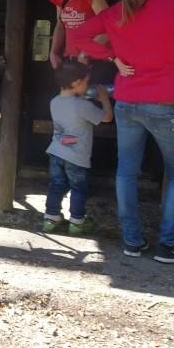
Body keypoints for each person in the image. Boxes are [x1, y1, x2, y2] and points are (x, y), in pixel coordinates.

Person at [71, 0, 174, 263]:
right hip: (167, 102)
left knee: (126, 171)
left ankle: (132, 241)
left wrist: (111, 56)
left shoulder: (117, 13)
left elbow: (78, 37)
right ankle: (168, 244)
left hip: (127, 100)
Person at [43, 60, 113, 235]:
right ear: (76, 83)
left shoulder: (54, 101)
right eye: (86, 82)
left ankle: (51, 218)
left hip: (55, 151)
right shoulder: (82, 105)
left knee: (56, 185)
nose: (87, 85)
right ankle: (77, 221)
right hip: (76, 156)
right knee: (78, 188)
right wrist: (104, 99)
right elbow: (106, 118)